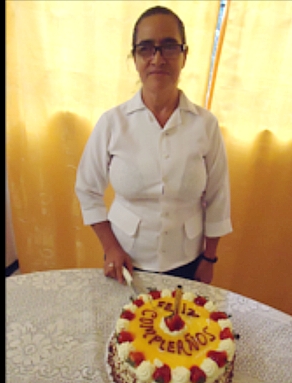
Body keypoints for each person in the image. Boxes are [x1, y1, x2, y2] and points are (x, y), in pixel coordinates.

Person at [75, 6, 232, 285]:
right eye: (146, 48)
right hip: (125, 259)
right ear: (135, 58)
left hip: (188, 260)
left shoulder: (205, 125)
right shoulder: (112, 123)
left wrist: (210, 259)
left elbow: (218, 197)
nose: (157, 58)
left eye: (169, 46)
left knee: (181, 315)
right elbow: (87, 189)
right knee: (124, 315)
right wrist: (110, 247)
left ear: (184, 55)